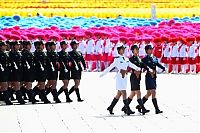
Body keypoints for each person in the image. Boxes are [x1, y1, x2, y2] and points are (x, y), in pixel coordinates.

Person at [100, 43, 141, 115]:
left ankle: (111, 107)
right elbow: (110, 67)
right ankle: (127, 109)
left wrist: (138, 68)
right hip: (119, 77)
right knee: (124, 93)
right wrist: (103, 73)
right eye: (122, 49)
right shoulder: (117, 59)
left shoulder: (126, 58)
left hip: (124, 77)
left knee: (119, 94)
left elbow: (131, 65)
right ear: (118, 50)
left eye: (124, 49)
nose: (123, 50)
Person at [121, 45, 150, 115]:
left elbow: (143, 65)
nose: (137, 50)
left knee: (133, 93)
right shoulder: (131, 59)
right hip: (134, 77)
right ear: (132, 51)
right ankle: (142, 108)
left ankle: (125, 107)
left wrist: (149, 69)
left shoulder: (139, 58)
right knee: (138, 92)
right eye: (135, 49)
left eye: (138, 49)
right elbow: (127, 66)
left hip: (138, 77)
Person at [136, 45, 165, 114]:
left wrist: (163, 68)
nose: (151, 50)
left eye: (152, 49)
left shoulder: (154, 58)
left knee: (149, 93)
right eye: (150, 49)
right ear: (146, 50)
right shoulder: (144, 59)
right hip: (149, 77)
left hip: (154, 76)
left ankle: (139, 106)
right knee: (153, 92)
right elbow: (140, 65)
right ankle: (157, 109)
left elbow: (157, 64)